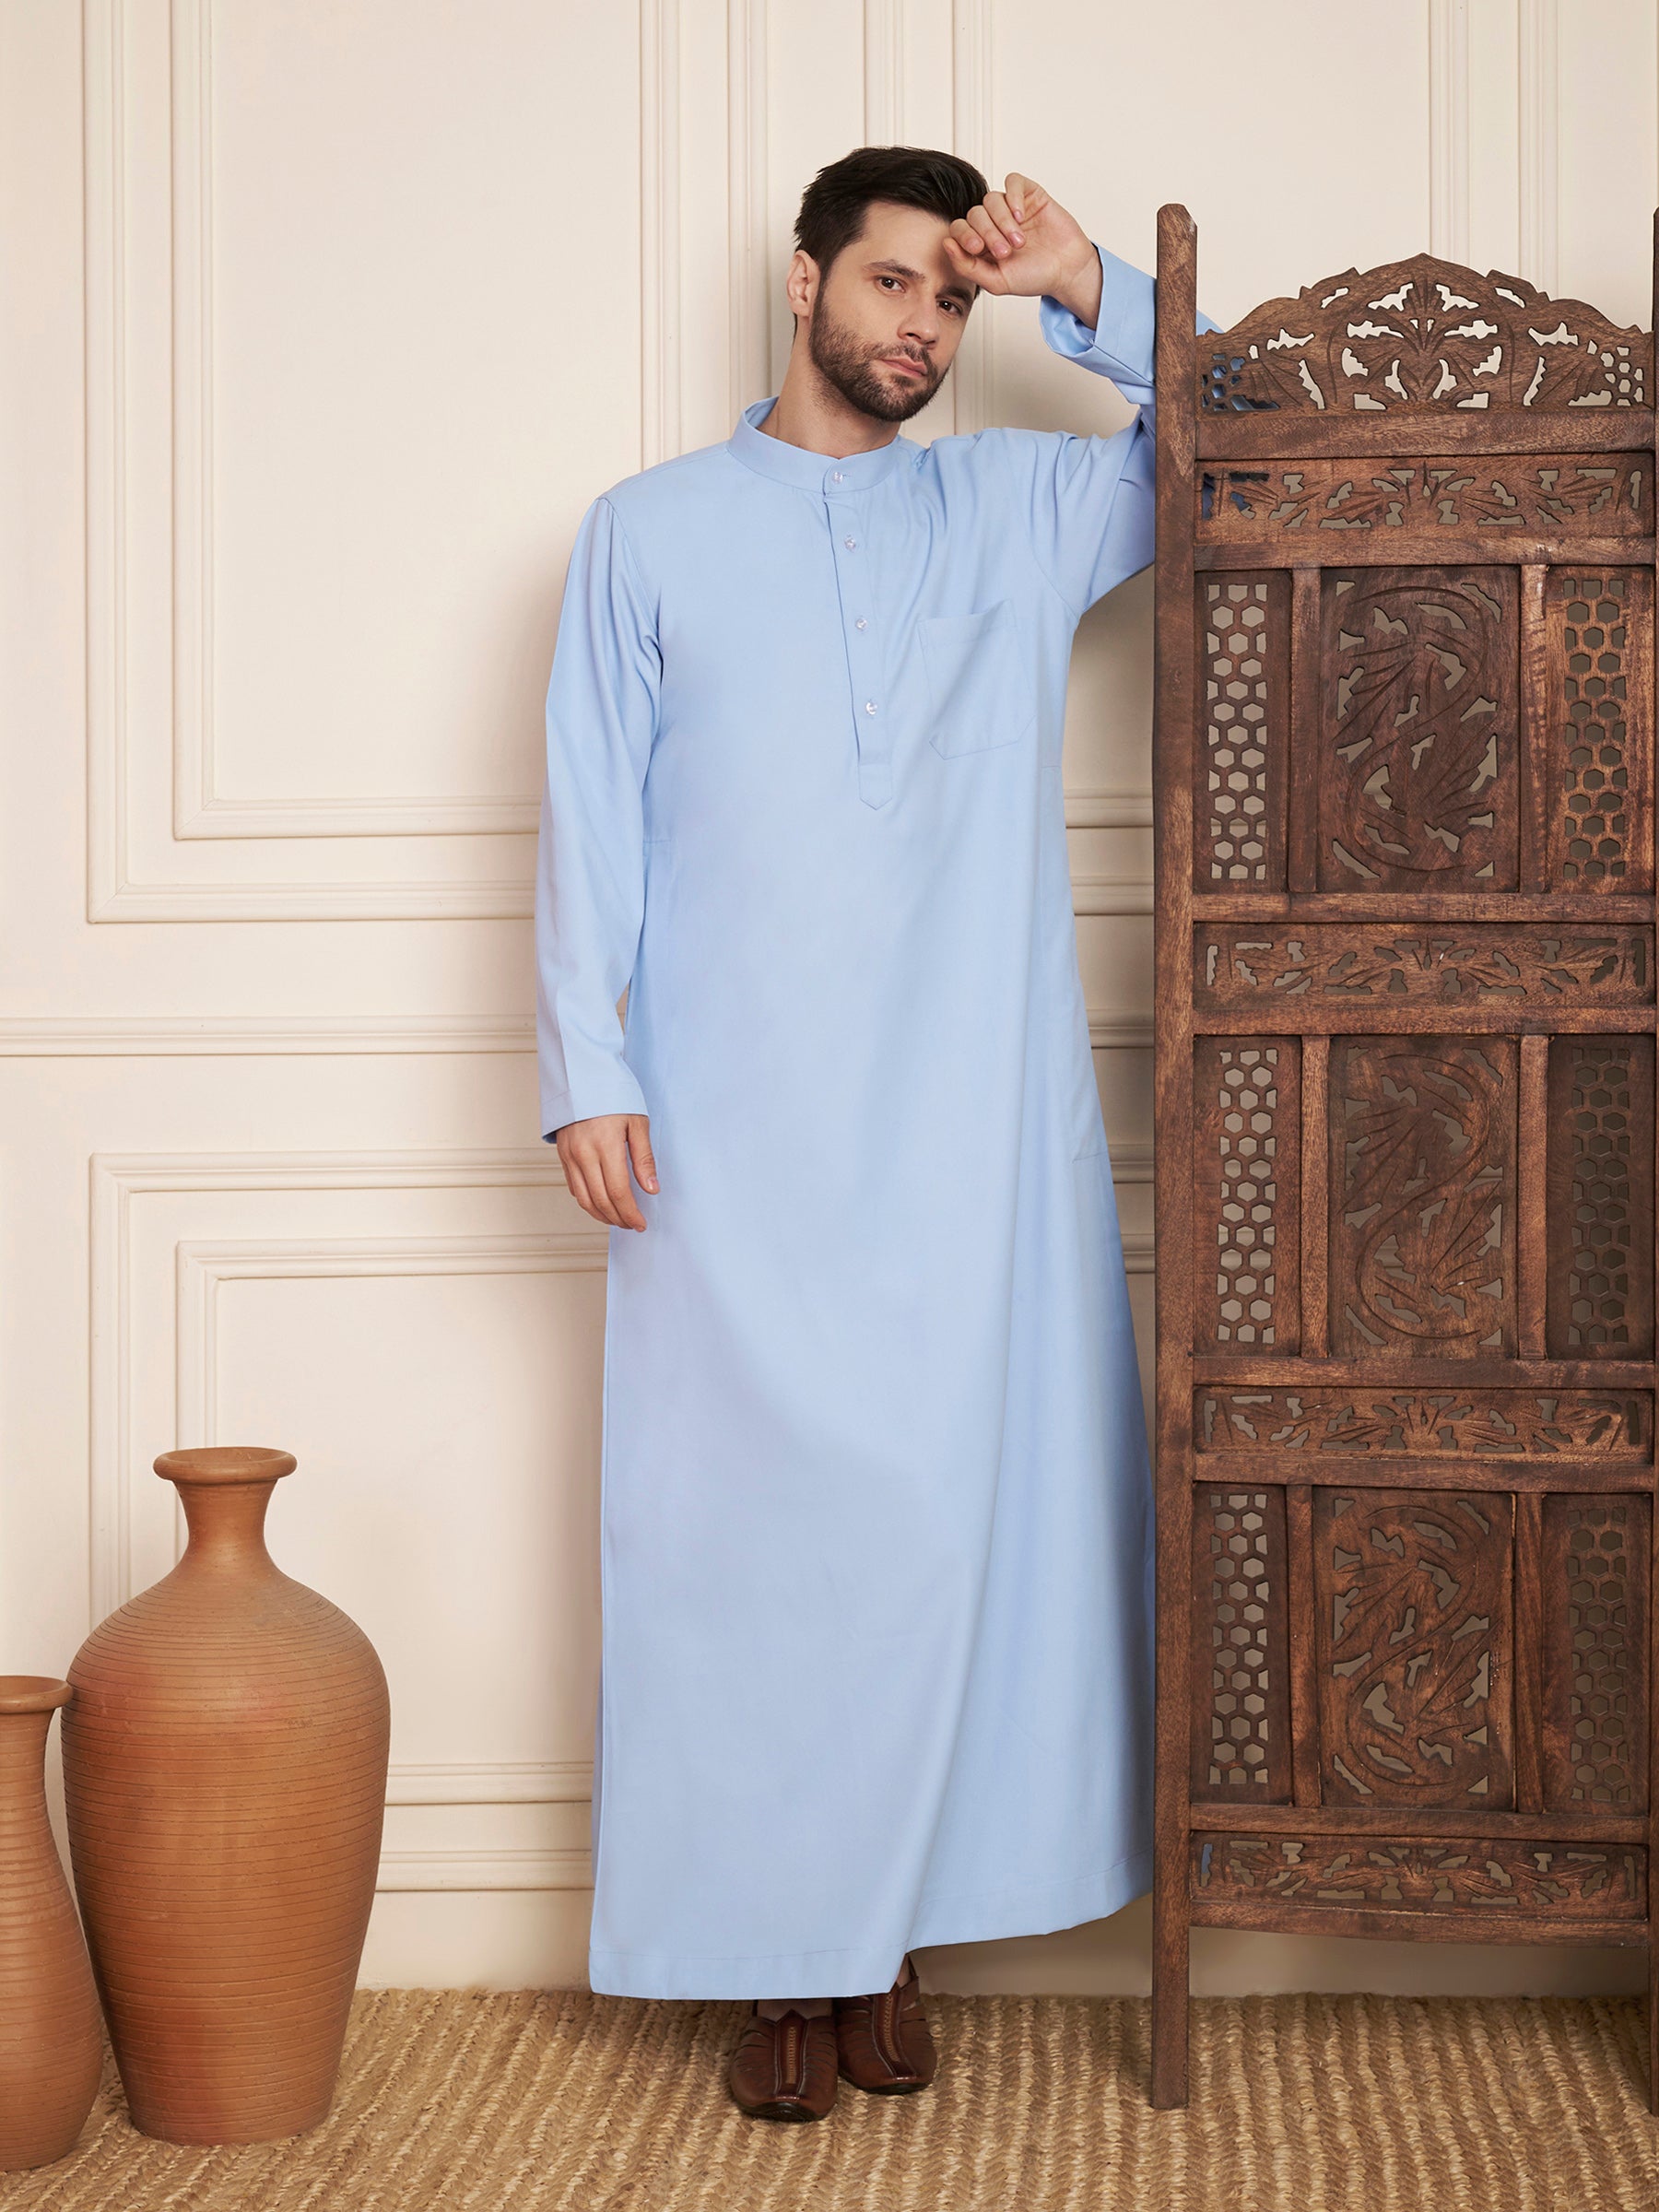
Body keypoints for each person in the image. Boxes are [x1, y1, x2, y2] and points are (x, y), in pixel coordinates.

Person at [535, 146, 1218, 2123]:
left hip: (963, 1141)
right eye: (892, 282)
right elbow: (590, 805)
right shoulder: (647, 534)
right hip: (722, 1136)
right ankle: (774, 1951)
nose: (922, 324)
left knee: (933, 1550)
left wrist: (1090, 282)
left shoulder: (1018, 508)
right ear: (805, 282)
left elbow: (1239, 448)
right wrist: (587, 1066)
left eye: (955, 298)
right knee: (740, 1558)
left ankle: (885, 1932)